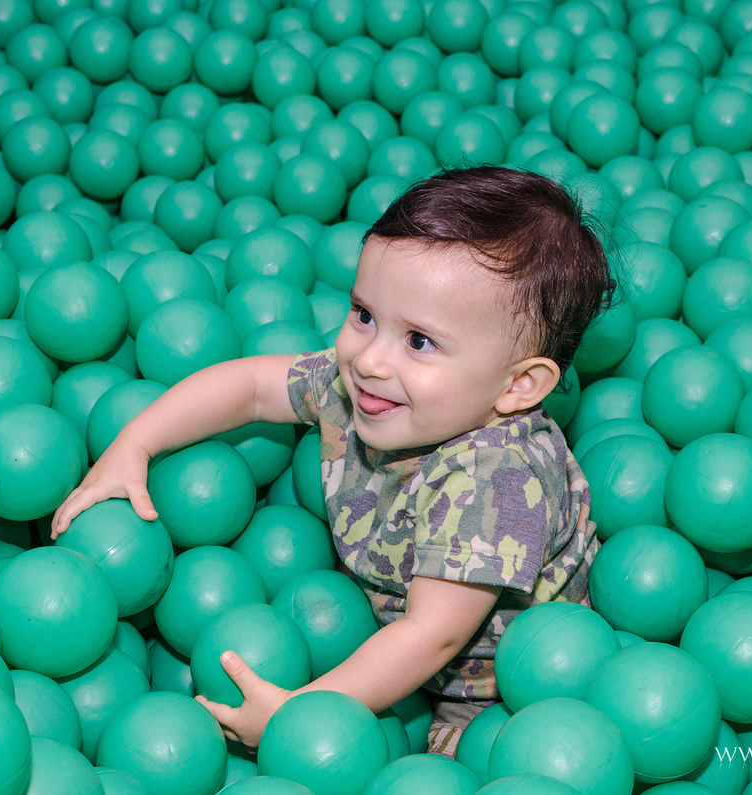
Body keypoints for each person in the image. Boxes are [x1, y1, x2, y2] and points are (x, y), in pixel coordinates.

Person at [51, 165, 616, 757]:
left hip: (494, 687)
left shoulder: (495, 482)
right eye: (365, 314)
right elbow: (251, 387)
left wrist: (301, 714)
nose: (370, 358)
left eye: (419, 341)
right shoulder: (368, 385)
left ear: (518, 386)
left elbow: (433, 636)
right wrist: (136, 444)